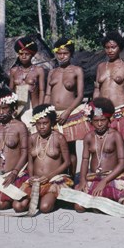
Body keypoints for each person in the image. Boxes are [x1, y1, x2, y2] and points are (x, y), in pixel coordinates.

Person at [13, 104, 73, 214]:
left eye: (45, 123)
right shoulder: (32, 138)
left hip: (53, 180)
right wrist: (31, 177)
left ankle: (53, 198)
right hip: (35, 180)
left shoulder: (59, 138)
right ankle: (39, 197)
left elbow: (67, 162)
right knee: (17, 206)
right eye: (39, 124)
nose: (42, 127)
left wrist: (49, 177)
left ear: (52, 123)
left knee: (44, 207)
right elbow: (30, 162)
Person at [74, 97, 124, 211]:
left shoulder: (115, 136)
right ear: (91, 121)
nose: (99, 124)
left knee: (98, 206)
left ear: (109, 120)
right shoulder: (89, 137)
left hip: (111, 176)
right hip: (94, 176)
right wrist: (83, 180)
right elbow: (85, 160)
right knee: (78, 207)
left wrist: (105, 181)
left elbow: (123, 163)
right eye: (96, 120)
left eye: (103, 120)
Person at [44, 37, 86, 175]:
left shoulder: (77, 70)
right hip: (53, 115)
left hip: (70, 114)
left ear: (71, 54)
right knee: (56, 148)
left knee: (70, 149)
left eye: (65, 53)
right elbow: (48, 95)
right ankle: (59, 177)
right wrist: (44, 112)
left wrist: (68, 111)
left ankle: (72, 180)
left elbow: (80, 95)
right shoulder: (52, 72)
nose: (62, 56)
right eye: (59, 53)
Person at [94, 32, 124, 140]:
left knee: (122, 142)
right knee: (104, 144)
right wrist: (95, 110)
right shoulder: (100, 67)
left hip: (121, 109)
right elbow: (97, 89)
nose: (110, 50)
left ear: (119, 47)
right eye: (107, 48)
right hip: (102, 111)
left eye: (113, 47)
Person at [8, 36, 46, 115]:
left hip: (34, 108)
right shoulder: (14, 71)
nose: (24, 56)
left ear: (32, 55)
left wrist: (40, 109)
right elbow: (10, 91)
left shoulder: (39, 70)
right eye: (21, 54)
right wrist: (11, 108)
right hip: (17, 109)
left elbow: (42, 91)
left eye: (27, 54)